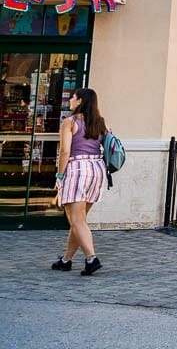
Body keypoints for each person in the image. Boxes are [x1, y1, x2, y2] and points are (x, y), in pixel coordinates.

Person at [51, 88, 107, 276]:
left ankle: (91, 258)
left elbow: (65, 151)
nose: (70, 100)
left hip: (77, 169)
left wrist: (59, 176)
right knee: (79, 221)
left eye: (73, 97)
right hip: (97, 169)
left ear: (80, 101)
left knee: (76, 221)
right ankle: (66, 260)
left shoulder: (70, 122)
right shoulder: (100, 123)